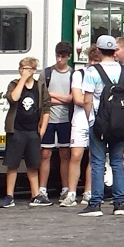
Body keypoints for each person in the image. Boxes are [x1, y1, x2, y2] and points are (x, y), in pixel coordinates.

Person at [79, 35, 124, 217]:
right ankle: (119, 204)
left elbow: (87, 100)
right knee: (117, 162)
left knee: (97, 163)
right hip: (120, 123)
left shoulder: (92, 72)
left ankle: (95, 203)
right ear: (114, 51)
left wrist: (90, 119)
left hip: (99, 122)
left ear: (99, 51)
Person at [1, 56, 49, 207]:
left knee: (33, 164)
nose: (23, 71)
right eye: (21, 68)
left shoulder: (40, 86)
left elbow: (47, 107)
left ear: (34, 70)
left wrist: (42, 128)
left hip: (32, 130)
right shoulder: (14, 84)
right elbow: (13, 98)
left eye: (27, 69)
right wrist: (22, 80)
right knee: (13, 164)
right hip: (16, 129)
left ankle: (35, 194)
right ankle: (9, 195)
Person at [42, 42, 84, 207]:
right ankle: (42, 188)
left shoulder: (73, 74)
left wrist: (51, 95)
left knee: (65, 154)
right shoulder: (47, 73)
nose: (59, 60)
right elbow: (43, 98)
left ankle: (65, 188)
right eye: (57, 56)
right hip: (49, 119)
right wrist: (59, 98)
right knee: (45, 154)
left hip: (66, 119)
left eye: (63, 57)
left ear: (69, 57)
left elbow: (70, 98)